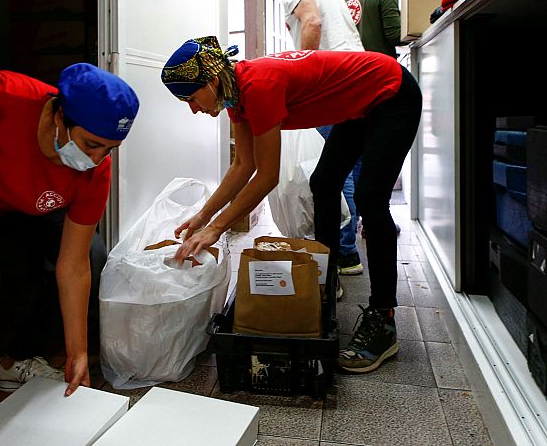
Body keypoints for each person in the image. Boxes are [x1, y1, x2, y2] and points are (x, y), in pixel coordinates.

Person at [161, 36, 421, 373]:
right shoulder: (235, 94)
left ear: (211, 80)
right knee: (324, 183)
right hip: (360, 104)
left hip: (391, 92)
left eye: (191, 98)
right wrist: (201, 217)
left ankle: (383, 320)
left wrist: (216, 229)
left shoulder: (258, 86)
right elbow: (243, 166)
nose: (193, 108)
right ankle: (324, 280)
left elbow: (266, 177)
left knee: (371, 200)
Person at [0, 63, 139, 432]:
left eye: (110, 148)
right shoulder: (5, 94)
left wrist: (77, 353)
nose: (98, 159)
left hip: (32, 209)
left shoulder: (95, 171)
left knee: (96, 259)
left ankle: (15, 359)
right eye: (91, 144)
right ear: (60, 116)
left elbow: (74, 265)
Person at [280, 0, 365, 276]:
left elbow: (313, 23)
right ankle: (347, 254)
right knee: (347, 171)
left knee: (331, 176)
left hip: (333, 79)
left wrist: (303, 80)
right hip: (355, 75)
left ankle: (338, 255)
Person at [344, 0, 404, 240]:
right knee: (380, 155)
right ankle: (374, 219)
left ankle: (355, 221)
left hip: (351, 81)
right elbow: (395, 35)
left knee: (355, 157)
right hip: (382, 80)